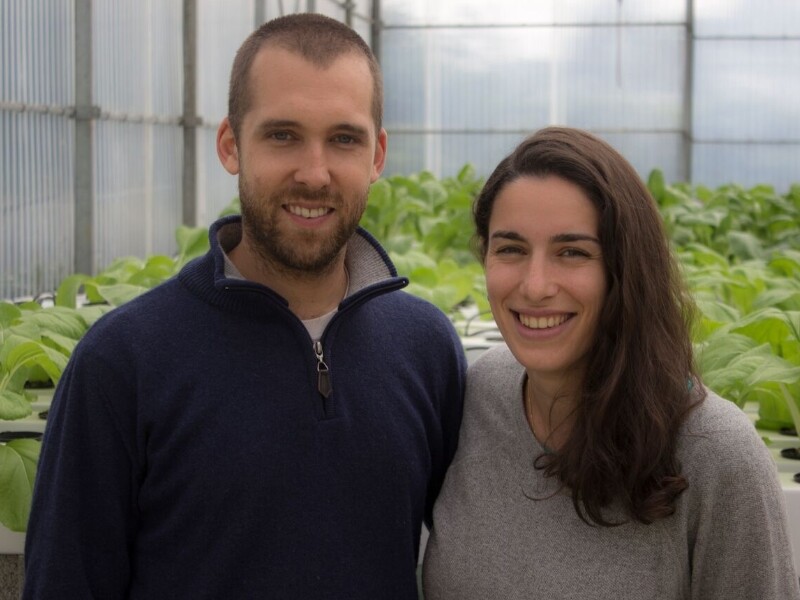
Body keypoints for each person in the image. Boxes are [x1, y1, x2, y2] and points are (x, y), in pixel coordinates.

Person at [23, 13, 465, 599]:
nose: (315, 173)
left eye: (344, 138)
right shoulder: (123, 361)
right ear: (231, 145)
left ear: (377, 155)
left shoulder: (426, 348)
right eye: (283, 135)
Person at [422, 127, 800, 599]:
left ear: (625, 270)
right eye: (511, 249)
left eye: (573, 252)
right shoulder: (477, 395)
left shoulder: (717, 455)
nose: (535, 285)